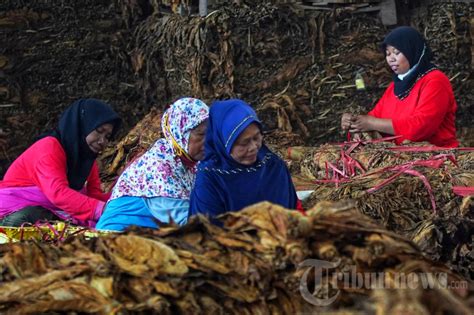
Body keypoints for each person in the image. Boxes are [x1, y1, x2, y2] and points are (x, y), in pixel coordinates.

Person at [0, 98, 121, 227]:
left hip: (53, 212)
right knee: (29, 216)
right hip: (13, 213)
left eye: (107, 136)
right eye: (99, 131)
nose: (102, 141)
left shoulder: (86, 160)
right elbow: (58, 193)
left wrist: (124, 201)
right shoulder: (48, 148)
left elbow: (94, 195)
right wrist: (104, 209)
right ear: (82, 125)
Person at [96, 98, 209, 231]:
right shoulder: (159, 167)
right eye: (200, 134)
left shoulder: (190, 164)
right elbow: (186, 222)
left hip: (148, 238)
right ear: (180, 133)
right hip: (115, 238)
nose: (208, 140)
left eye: (210, 133)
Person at [341, 26, 458, 148]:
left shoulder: (435, 81)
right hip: (401, 158)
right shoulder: (394, 87)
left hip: (437, 157)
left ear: (411, 50)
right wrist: (353, 123)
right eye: (387, 54)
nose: (391, 59)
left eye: (397, 52)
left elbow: (421, 127)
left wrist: (370, 123)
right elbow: (373, 118)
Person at [189, 99, 302, 219]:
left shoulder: (273, 165)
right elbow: (207, 230)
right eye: (244, 143)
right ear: (224, 144)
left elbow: (292, 212)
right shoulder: (211, 179)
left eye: (256, 137)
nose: (253, 147)